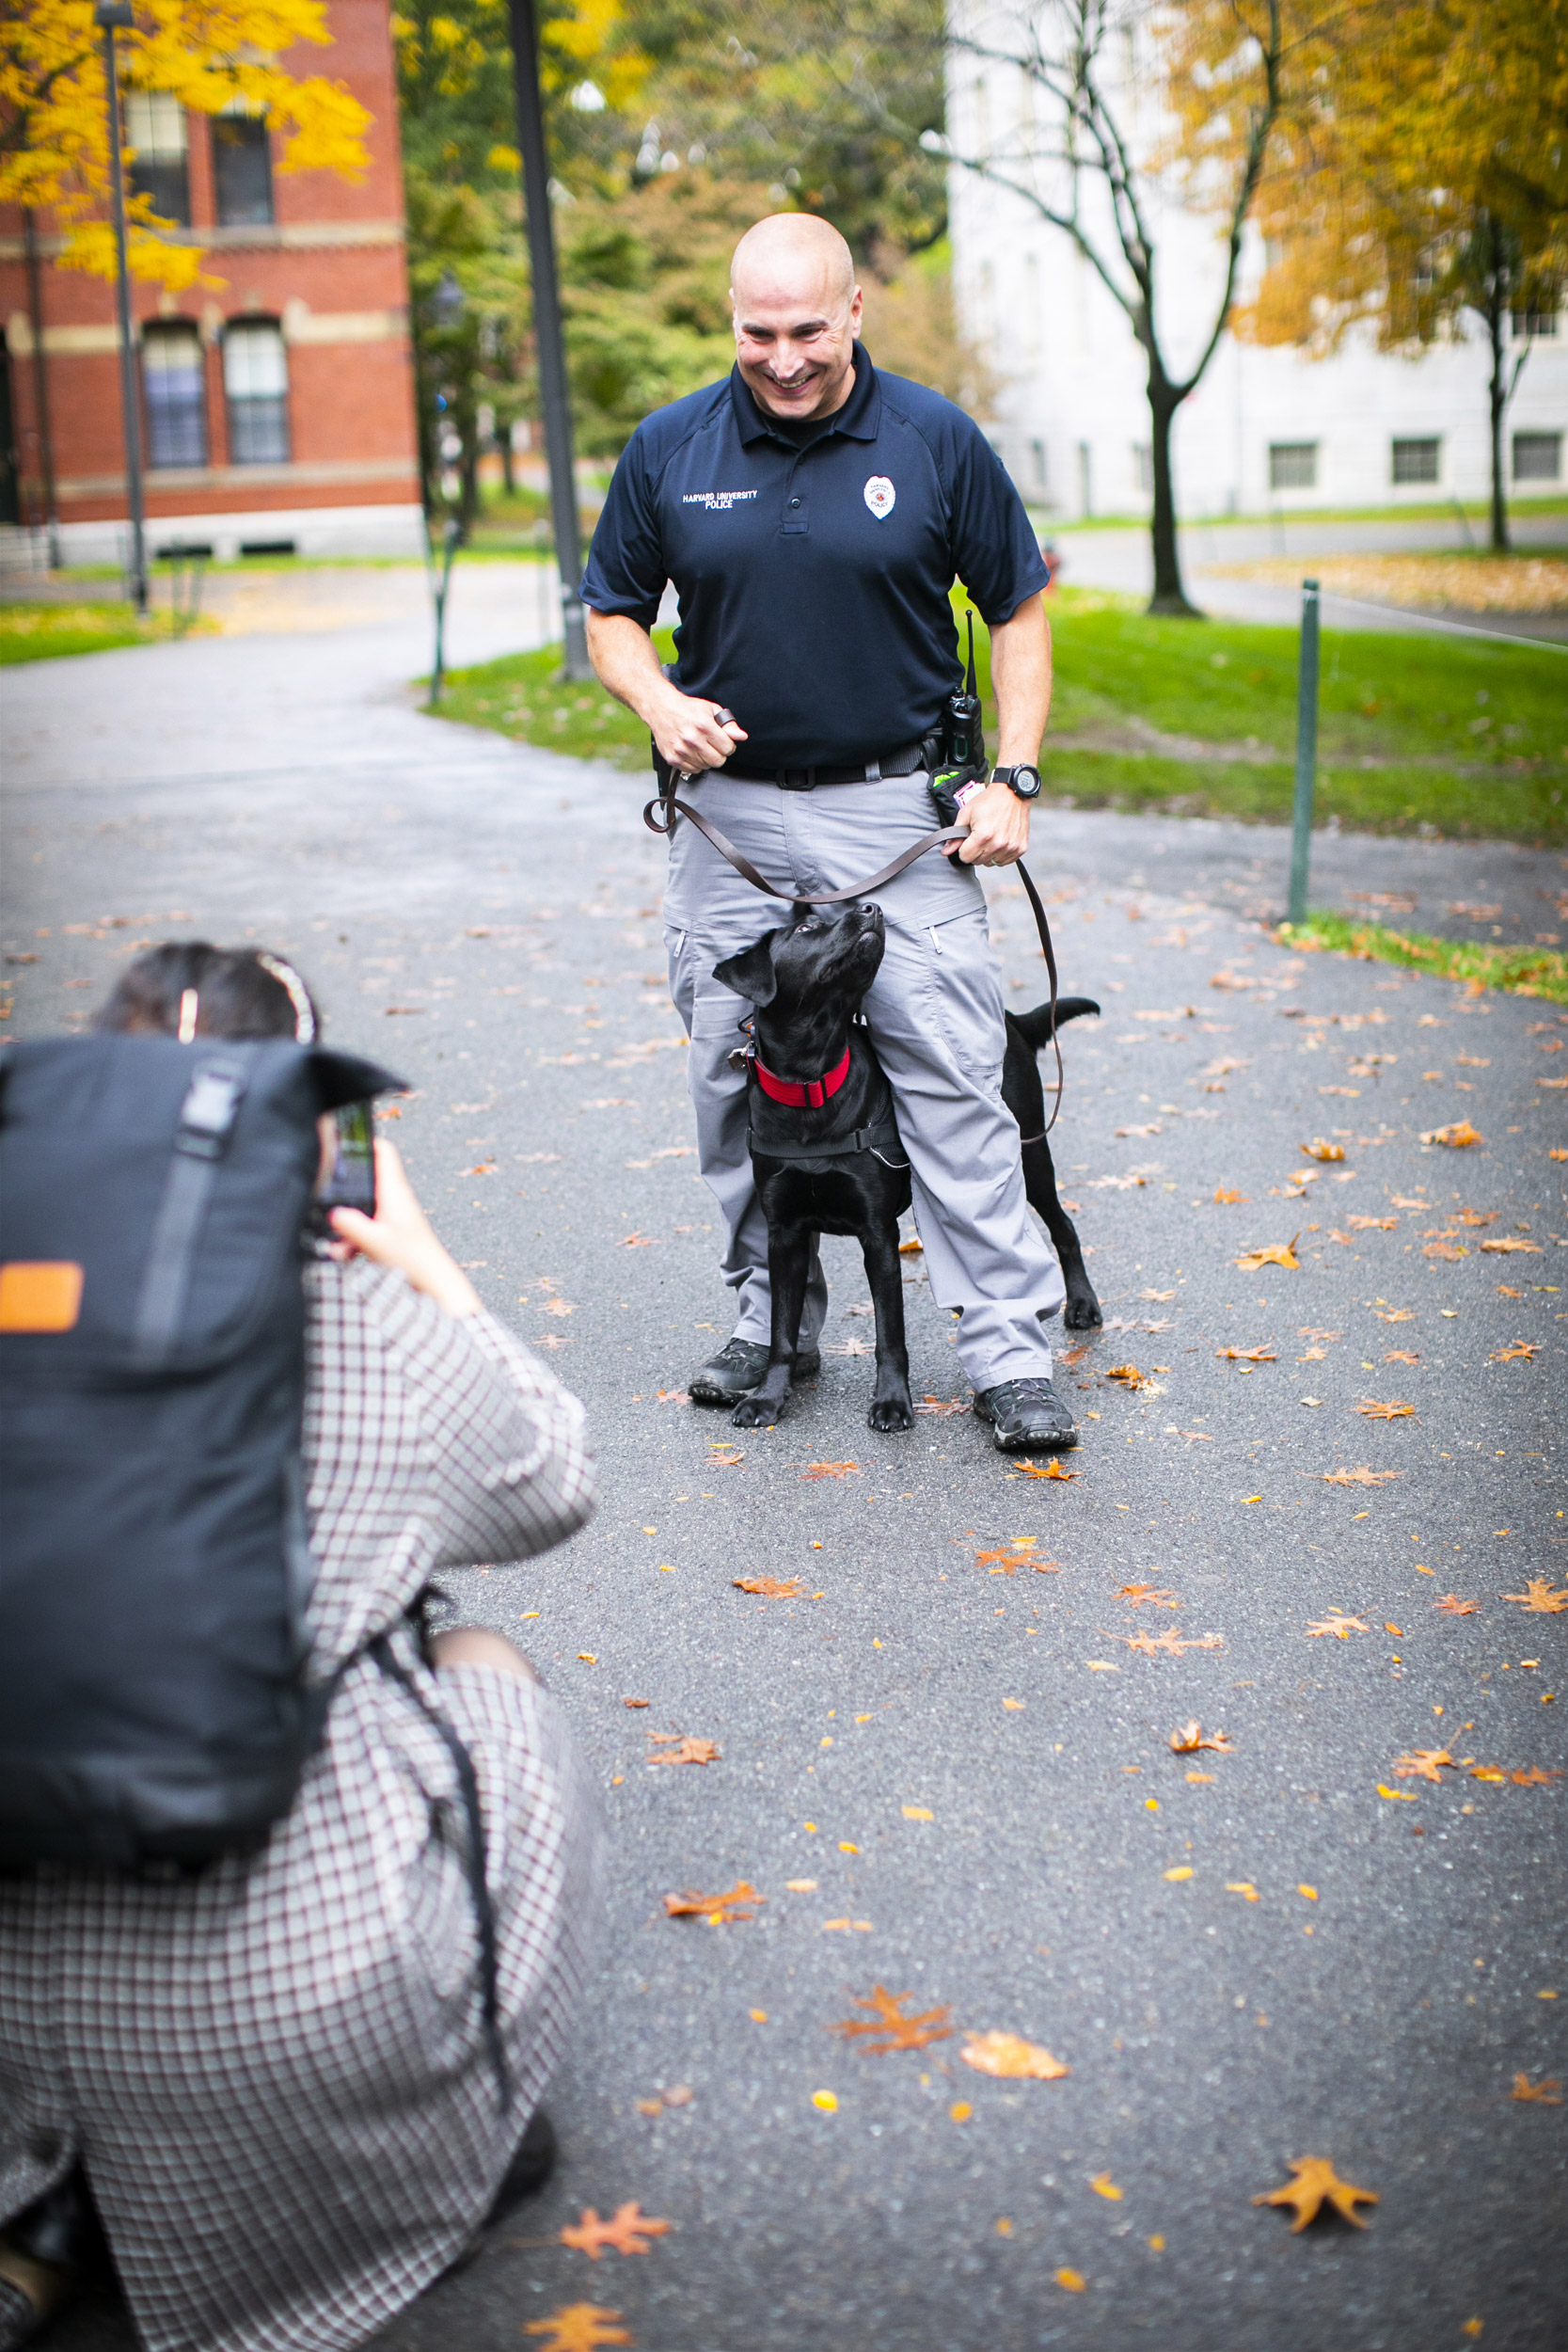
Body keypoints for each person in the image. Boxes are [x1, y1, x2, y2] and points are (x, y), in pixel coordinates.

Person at [0, 944, 602, 2352]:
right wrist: (418, 1254)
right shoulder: (363, 1326)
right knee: (490, 1681)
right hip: (286, 2024)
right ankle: (450, 2136)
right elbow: (553, 1477)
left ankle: (68, 2195)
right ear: (324, 1146)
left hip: (18, 2015)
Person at [581, 212, 1076, 1454]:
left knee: (958, 1080)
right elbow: (611, 615)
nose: (786, 358)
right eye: (759, 332)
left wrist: (1010, 777)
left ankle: (1010, 1357)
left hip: (894, 820)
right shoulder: (669, 446)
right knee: (731, 1084)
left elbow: (1018, 609)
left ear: (855, 310)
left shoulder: (932, 440)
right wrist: (658, 700)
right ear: (730, 319)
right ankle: (771, 1325)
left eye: (808, 329)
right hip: (730, 824)